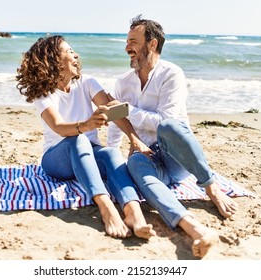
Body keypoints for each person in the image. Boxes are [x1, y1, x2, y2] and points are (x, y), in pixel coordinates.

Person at [107, 15, 238, 257]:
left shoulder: (171, 74)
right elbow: (117, 124)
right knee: (134, 161)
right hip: (147, 157)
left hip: (175, 157)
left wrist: (127, 109)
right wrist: (110, 155)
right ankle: (194, 228)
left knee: (169, 127)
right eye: (127, 41)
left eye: (133, 41)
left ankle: (211, 187)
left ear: (152, 44)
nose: (127, 48)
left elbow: (162, 122)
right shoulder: (123, 82)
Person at [16, 35, 156, 240]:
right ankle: (106, 207)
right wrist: (87, 125)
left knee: (110, 153)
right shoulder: (44, 93)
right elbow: (59, 127)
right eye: (70, 51)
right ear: (54, 59)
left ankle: (133, 211)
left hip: (88, 155)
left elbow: (113, 112)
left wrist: (134, 138)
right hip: (57, 160)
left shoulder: (86, 82)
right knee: (78, 139)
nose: (76, 55)